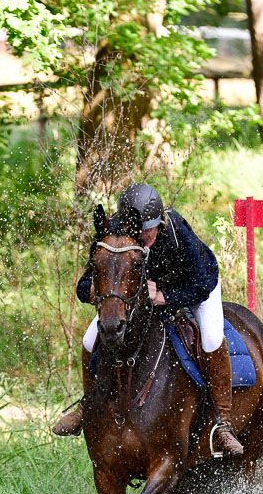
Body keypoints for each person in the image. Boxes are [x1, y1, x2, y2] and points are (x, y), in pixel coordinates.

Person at [52, 183, 244, 457]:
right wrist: (93, 289)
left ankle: (223, 425)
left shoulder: (176, 230)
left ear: (159, 221)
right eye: (138, 231)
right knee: (88, 338)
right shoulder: (114, 233)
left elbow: (200, 285)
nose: (144, 236)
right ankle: (87, 406)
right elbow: (85, 285)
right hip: (141, 299)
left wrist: (165, 296)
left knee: (212, 338)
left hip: (195, 288)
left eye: (149, 229)